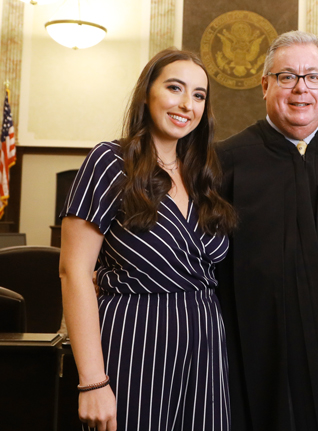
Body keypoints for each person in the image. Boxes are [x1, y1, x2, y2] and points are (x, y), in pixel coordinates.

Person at [59, 48, 236, 431]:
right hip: (135, 343)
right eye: (175, 88)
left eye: (199, 95)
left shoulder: (204, 175)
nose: (186, 104)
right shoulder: (109, 161)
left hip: (203, 348)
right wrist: (93, 380)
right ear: (146, 93)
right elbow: (73, 272)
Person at [216, 30, 318, 431]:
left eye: (313, 76)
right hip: (261, 352)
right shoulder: (226, 161)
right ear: (265, 84)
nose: (300, 89)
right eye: (286, 76)